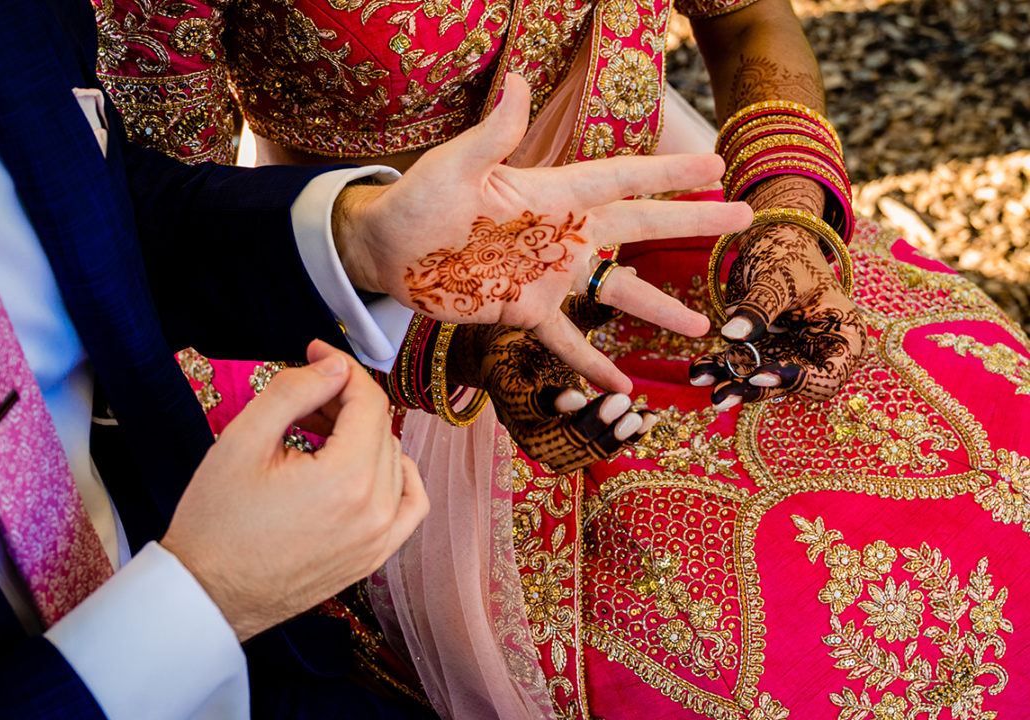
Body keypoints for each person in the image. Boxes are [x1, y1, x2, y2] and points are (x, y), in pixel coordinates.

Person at [95, 0, 1030, 716]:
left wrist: (789, 216)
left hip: (639, 201)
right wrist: (457, 337)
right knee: (749, 643)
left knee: (994, 457)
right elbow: (167, 221)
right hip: (366, 305)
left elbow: (745, 19)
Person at [0, 1, 749, 719]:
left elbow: (107, 204)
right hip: (220, 556)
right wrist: (203, 601)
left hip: (240, 561)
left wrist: (360, 243)